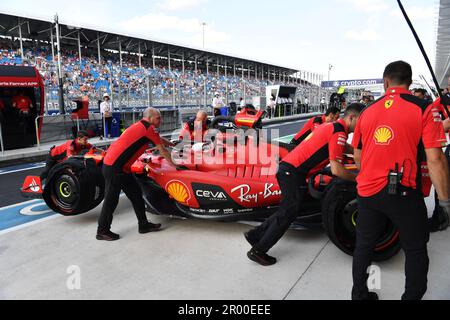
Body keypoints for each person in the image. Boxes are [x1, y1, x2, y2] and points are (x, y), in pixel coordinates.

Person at [351, 61, 450, 301]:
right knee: (415, 250)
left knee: (363, 246)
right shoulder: (424, 108)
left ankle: (360, 295)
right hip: (405, 192)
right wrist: (446, 202)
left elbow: (358, 156)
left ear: (385, 82)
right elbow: (435, 159)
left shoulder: (367, 111)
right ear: (409, 81)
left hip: (367, 192)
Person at [244, 103, 365, 266]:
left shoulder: (333, 127)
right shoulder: (338, 131)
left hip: (290, 170)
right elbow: (336, 170)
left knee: (286, 210)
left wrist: (364, 152)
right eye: (361, 121)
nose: (362, 125)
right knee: (288, 213)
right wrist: (360, 179)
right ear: (351, 117)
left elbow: (347, 148)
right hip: (292, 172)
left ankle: (256, 235)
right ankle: (258, 250)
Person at [97, 108, 178, 241]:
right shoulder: (149, 128)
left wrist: (171, 144)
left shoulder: (142, 126)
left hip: (119, 167)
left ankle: (143, 225)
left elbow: (158, 139)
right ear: (150, 118)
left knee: (136, 195)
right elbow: (162, 151)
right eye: (158, 118)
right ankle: (102, 231)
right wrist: (176, 166)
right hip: (114, 167)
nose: (161, 120)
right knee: (111, 201)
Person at [429, 76, 450, 232]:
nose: (448, 87)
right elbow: (430, 114)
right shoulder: (443, 100)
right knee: (443, 177)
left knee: (442, 176)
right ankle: (441, 216)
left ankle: (442, 218)